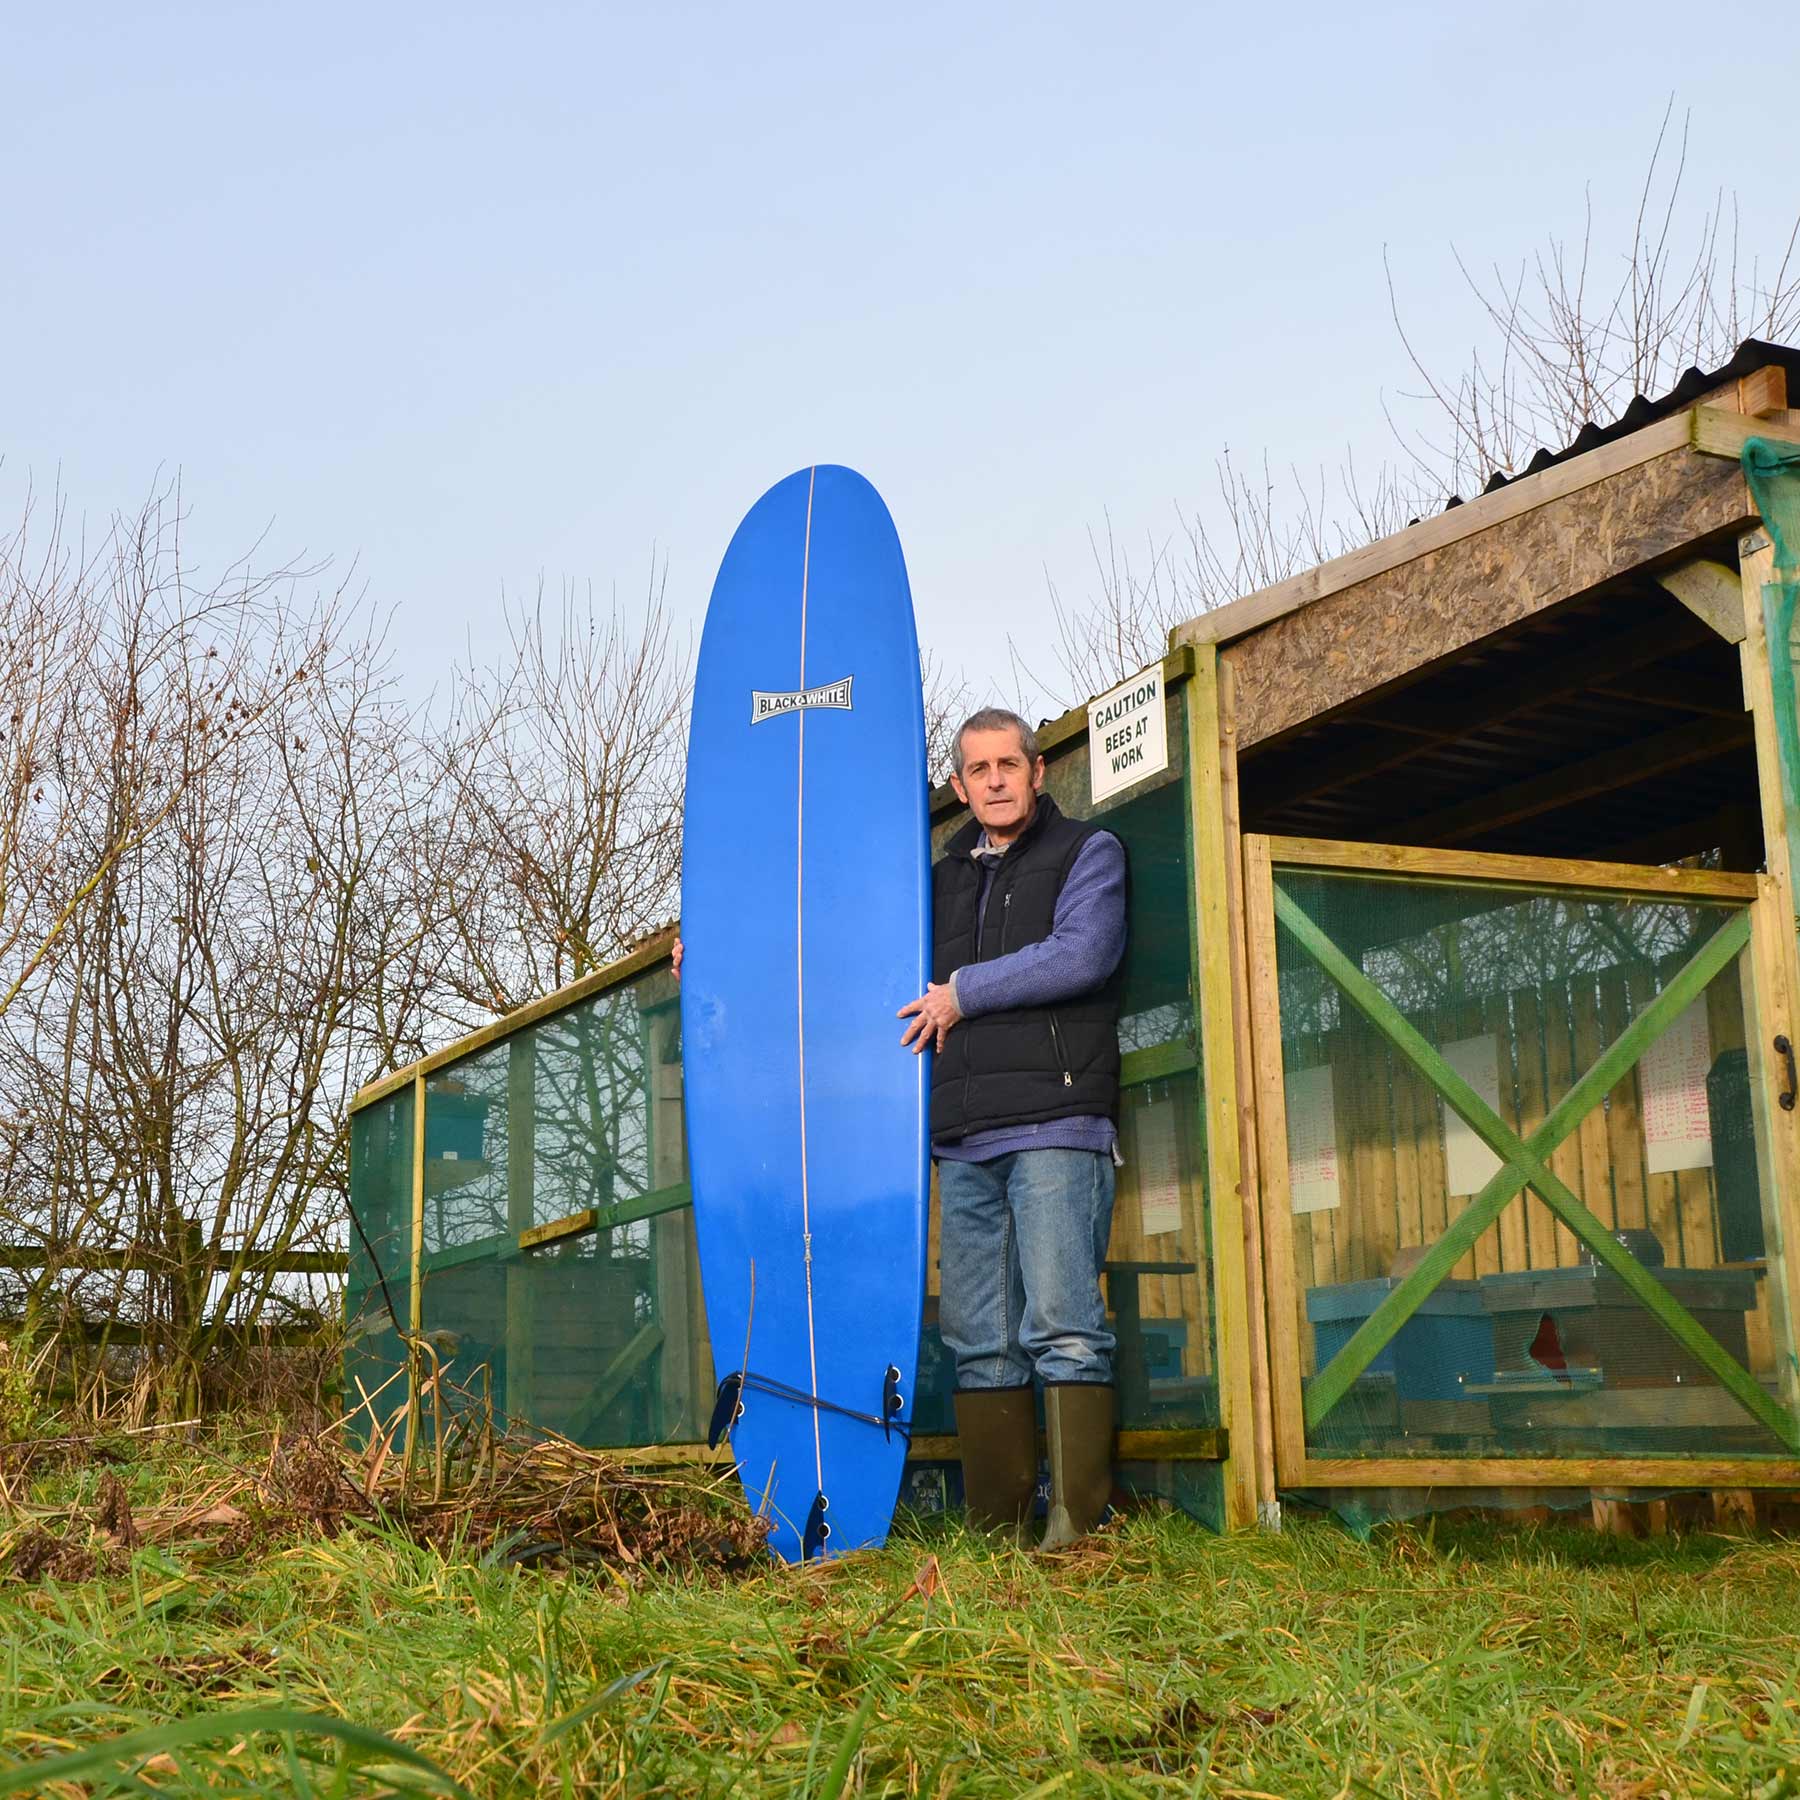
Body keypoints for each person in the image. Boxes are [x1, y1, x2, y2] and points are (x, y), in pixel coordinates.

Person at [899, 706, 1126, 1549]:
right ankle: (998, 1540)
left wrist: (962, 990)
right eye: (977, 769)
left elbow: (1083, 954)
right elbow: (847, 951)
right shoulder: (935, 881)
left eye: (1008, 765)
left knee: (1065, 1329)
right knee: (980, 1344)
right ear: (959, 787)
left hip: (1058, 1126)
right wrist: (706, 948)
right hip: (962, 1139)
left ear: (1038, 773)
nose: (994, 780)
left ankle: (1073, 1537)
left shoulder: (1088, 853)